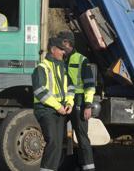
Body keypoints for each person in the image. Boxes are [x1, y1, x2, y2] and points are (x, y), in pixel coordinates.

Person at [32, 38, 75, 171]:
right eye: (61, 50)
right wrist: (58, 106)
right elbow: (40, 91)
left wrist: (69, 102)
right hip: (45, 110)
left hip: (60, 110)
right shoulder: (41, 68)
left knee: (57, 145)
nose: (64, 53)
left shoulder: (62, 68)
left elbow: (70, 87)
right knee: (52, 142)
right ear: (53, 50)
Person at [58, 30, 96, 171]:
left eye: (61, 42)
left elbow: (90, 86)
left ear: (67, 43)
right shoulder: (60, 59)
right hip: (63, 102)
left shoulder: (82, 60)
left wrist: (88, 105)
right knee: (60, 136)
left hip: (79, 102)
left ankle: (88, 168)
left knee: (82, 138)